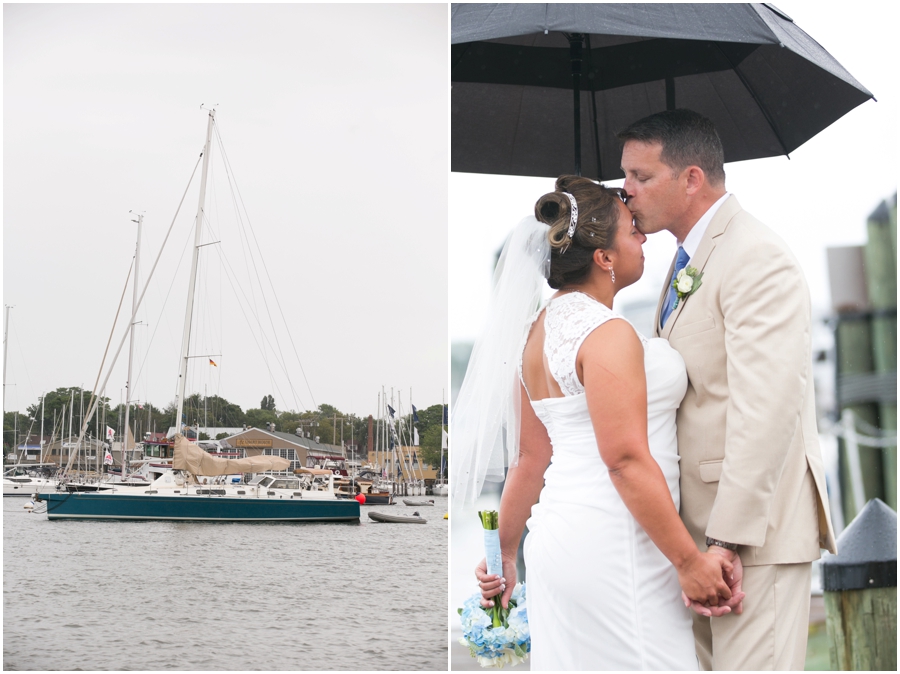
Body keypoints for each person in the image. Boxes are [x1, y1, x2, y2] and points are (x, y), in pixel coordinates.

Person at [459, 175, 743, 670]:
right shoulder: (607, 334)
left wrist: (505, 550)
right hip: (619, 546)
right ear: (603, 257)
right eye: (633, 229)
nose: (644, 237)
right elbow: (626, 461)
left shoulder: (532, 336)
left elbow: (530, 458)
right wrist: (689, 562)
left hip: (556, 542)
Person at [611, 108, 837, 670]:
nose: (625, 190)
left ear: (691, 178)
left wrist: (726, 542)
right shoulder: (688, 258)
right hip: (703, 541)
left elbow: (766, 409)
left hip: (753, 538)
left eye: (641, 176)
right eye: (626, 175)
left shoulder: (756, 256)